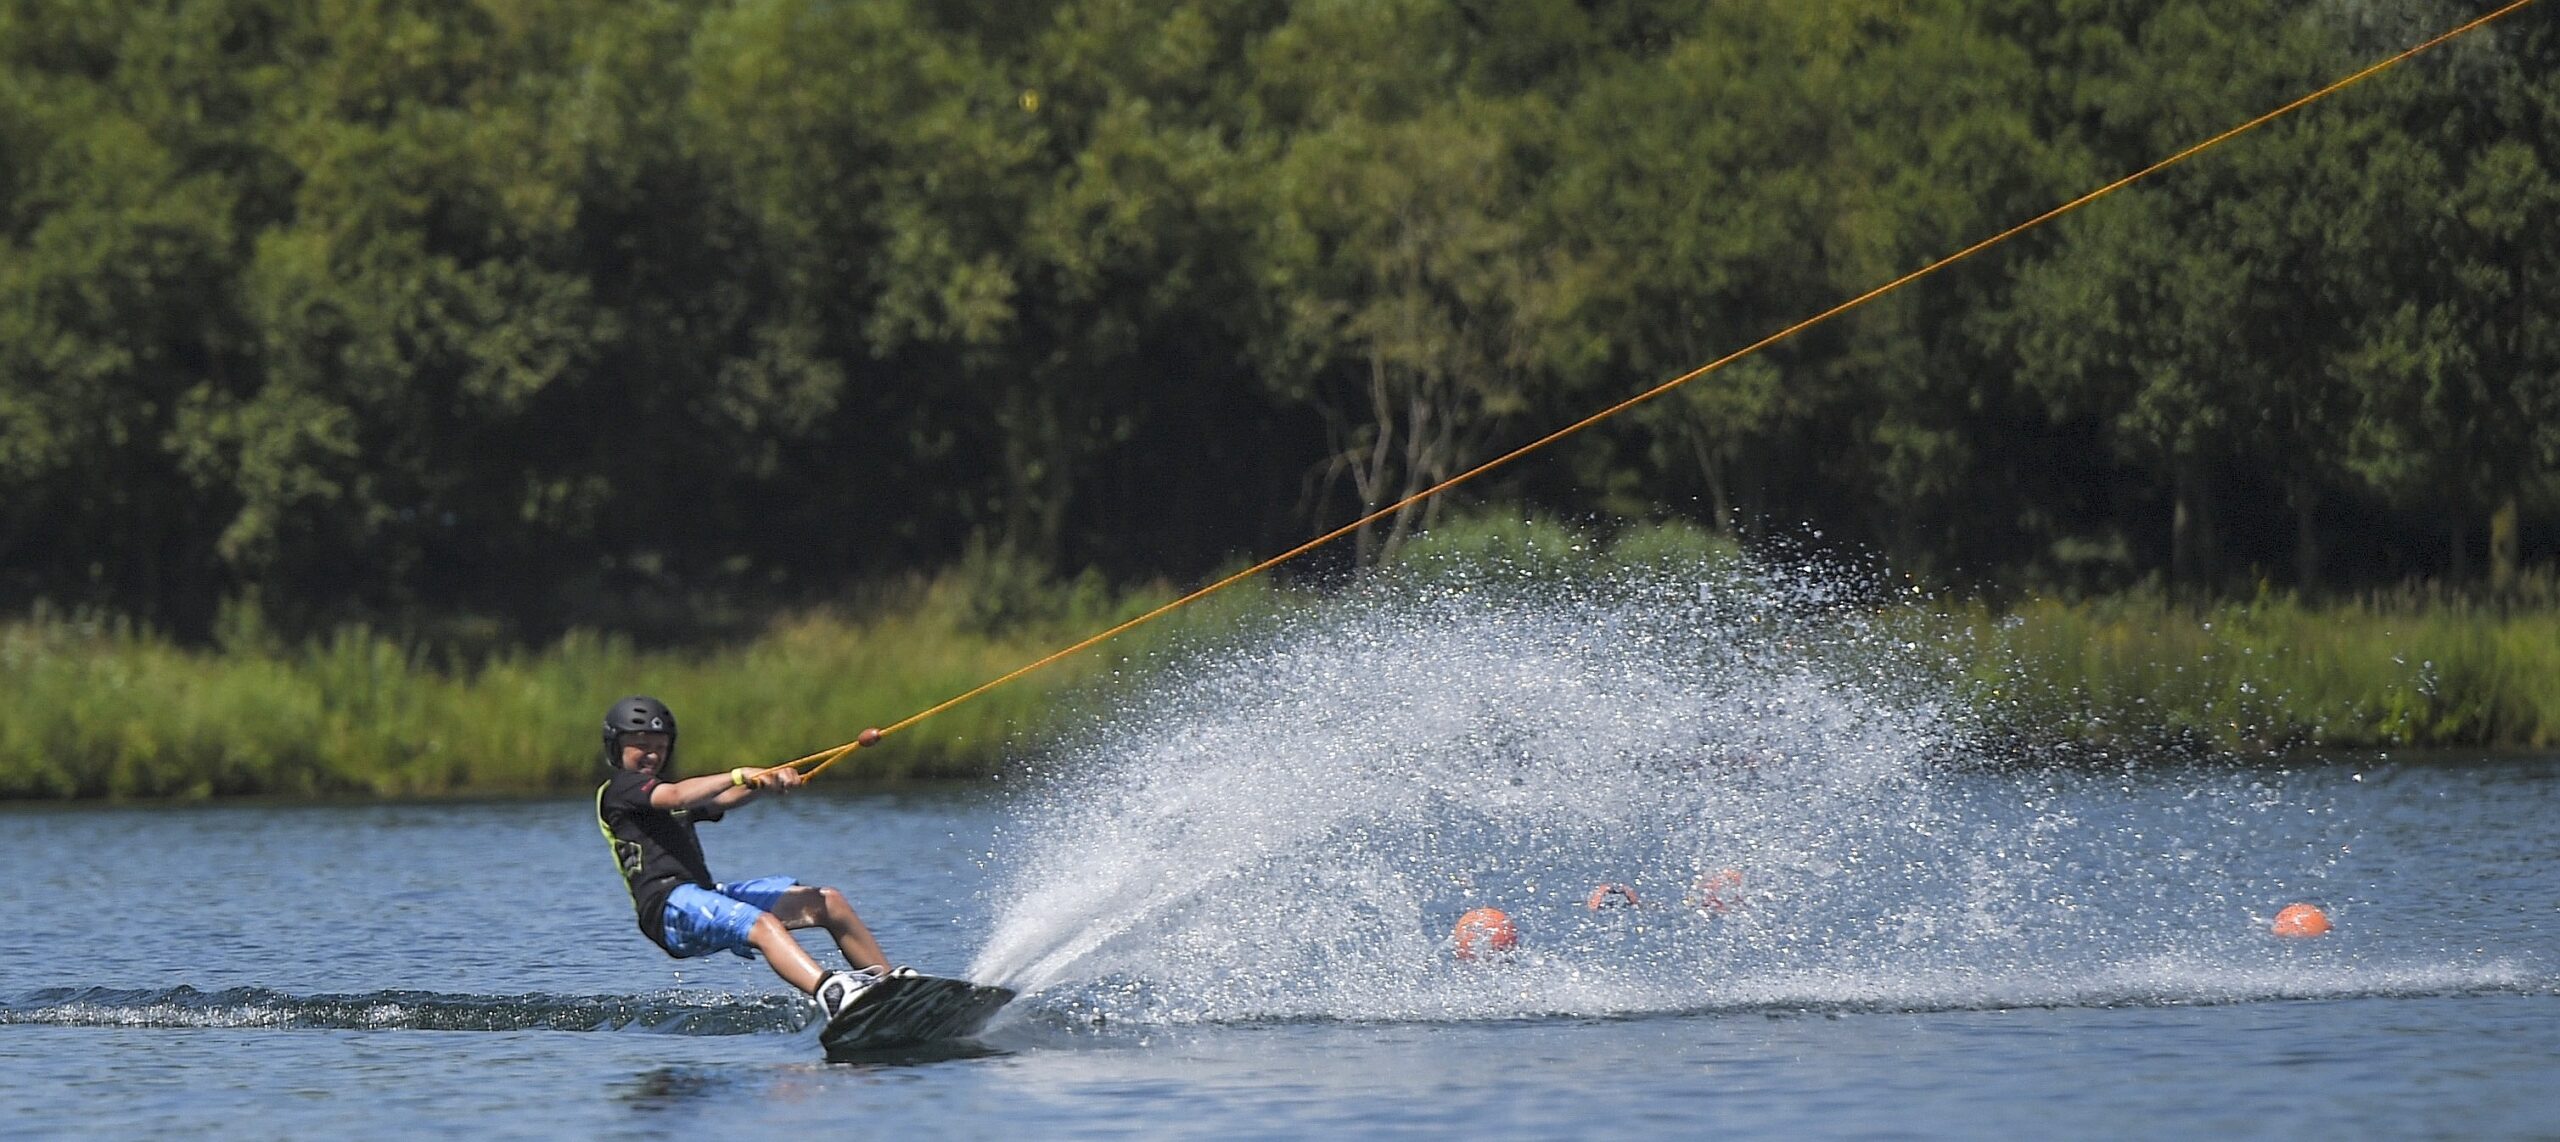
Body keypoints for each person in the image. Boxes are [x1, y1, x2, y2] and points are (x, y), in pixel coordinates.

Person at [591, 695, 905, 1019]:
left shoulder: (663, 793)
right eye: (640, 744)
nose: (652, 754)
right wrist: (740, 773)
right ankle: (833, 994)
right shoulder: (621, 790)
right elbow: (677, 794)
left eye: (659, 745)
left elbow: (718, 801)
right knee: (761, 923)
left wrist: (766, 781)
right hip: (668, 909)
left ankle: (891, 989)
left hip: (702, 896)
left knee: (827, 902)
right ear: (616, 746)